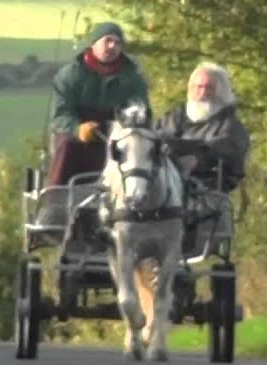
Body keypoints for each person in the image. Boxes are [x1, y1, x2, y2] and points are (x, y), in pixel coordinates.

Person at [35, 21, 151, 226]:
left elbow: (142, 110)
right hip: (78, 135)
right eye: (108, 41)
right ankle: (54, 208)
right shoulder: (70, 75)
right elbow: (61, 115)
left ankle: (138, 206)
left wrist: (127, 122)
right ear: (94, 44)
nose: (112, 47)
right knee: (68, 146)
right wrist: (78, 128)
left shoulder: (132, 79)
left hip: (117, 134)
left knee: (142, 153)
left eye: (117, 43)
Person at [155, 62, 250, 192]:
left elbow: (226, 149)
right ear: (190, 89)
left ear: (221, 92)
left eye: (209, 87)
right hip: (164, 186)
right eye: (199, 87)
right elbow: (154, 139)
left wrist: (198, 158)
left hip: (206, 191)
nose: (203, 92)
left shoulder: (230, 125)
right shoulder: (173, 118)